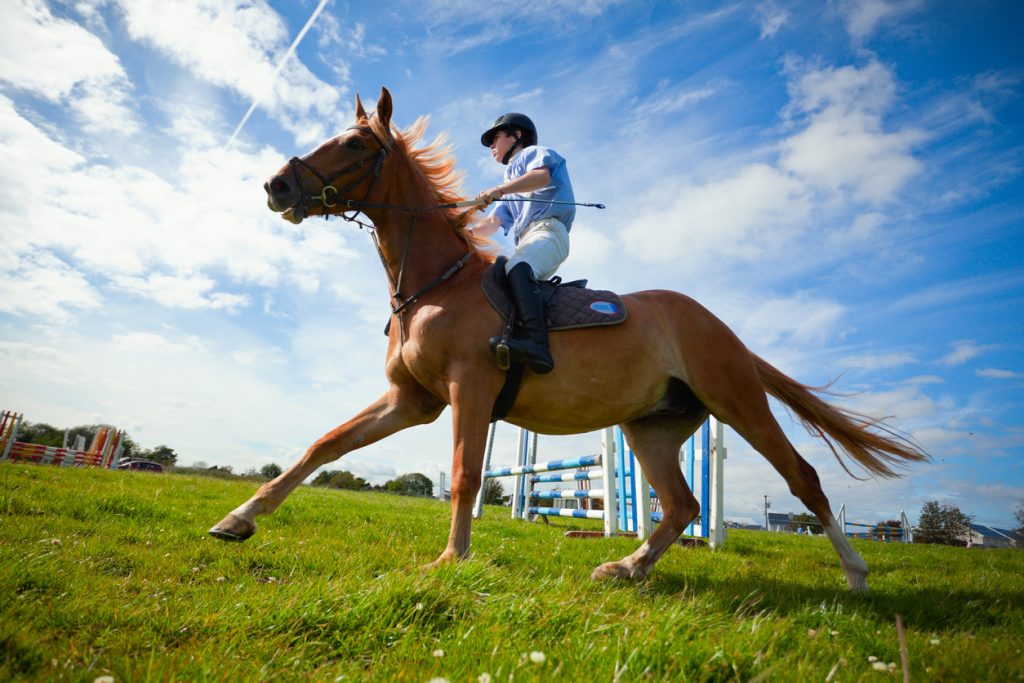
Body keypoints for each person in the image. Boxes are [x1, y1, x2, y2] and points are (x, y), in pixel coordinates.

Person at [469, 113, 575, 374]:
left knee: (517, 266)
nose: (492, 147)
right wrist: (460, 230)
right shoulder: (509, 185)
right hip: (528, 239)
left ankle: (537, 344)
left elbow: (542, 178)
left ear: (516, 135)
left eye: (495, 138)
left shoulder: (533, 154)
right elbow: (492, 225)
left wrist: (499, 191)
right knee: (499, 274)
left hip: (549, 231)